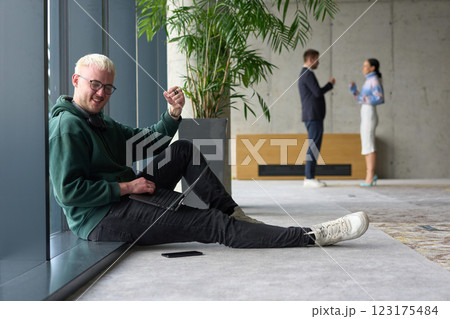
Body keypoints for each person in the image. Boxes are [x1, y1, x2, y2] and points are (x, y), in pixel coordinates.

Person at [49, 53, 369, 249]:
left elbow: (145, 141)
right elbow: (69, 192)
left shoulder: (97, 121)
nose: (102, 93)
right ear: (77, 80)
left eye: (107, 87)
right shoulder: (69, 126)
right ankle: (312, 236)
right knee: (211, 225)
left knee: (184, 150)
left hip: (126, 195)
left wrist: (173, 114)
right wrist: (126, 186)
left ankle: (236, 217)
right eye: (95, 84)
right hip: (101, 218)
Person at [298, 49, 335, 188]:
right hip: (313, 116)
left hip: (313, 116)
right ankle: (309, 177)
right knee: (313, 145)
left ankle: (310, 176)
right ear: (310, 59)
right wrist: (330, 84)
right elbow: (318, 93)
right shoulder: (307, 74)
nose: (318, 62)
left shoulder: (305, 74)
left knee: (314, 145)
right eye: (317, 59)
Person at [349, 58, 384, 186]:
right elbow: (361, 99)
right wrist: (354, 91)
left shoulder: (374, 80)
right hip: (365, 112)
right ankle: (370, 174)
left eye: (365, 65)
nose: (363, 67)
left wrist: (362, 97)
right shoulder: (368, 80)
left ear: (372, 68)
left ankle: (370, 175)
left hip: (369, 113)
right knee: (366, 144)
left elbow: (379, 98)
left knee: (369, 144)